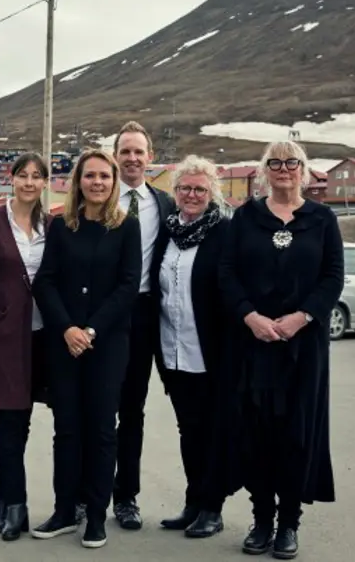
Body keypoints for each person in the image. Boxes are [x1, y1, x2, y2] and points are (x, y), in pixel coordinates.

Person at [218, 140, 343, 559]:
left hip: (303, 348)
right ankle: (261, 520)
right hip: (254, 344)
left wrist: (302, 317)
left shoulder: (322, 219)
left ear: (303, 170)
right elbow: (227, 274)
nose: (284, 168)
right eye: (275, 162)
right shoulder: (245, 218)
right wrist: (250, 316)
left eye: (292, 162)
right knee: (256, 433)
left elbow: (332, 277)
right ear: (264, 170)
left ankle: (289, 523)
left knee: (295, 433)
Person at [30, 148, 142, 549]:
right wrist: (67, 328)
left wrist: (91, 329)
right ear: (78, 181)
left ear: (114, 183)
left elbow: (128, 285)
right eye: (90, 175)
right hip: (65, 345)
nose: (97, 182)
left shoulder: (127, 227)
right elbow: (45, 281)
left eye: (104, 176)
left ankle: (96, 515)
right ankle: (65, 510)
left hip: (107, 345)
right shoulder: (62, 226)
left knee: (101, 430)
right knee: (67, 429)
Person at [151, 155, 239, 539]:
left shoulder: (225, 232)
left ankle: (212, 507)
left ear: (212, 192)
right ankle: (193, 501)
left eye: (200, 189)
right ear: (175, 191)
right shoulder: (168, 231)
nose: (191, 194)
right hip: (172, 349)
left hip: (211, 352)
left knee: (213, 431)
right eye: (185, 188)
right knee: (189, 430)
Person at [0, 152, 51, 542]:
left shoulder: (51, 225)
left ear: (45, 183)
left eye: (37, 176)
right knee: (6, 421)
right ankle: (16, 507)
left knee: (23, 421)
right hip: (1, 335)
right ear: (12, 178)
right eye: (23, 175)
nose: (30, 182)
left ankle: (1, 499)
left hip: (41, 336)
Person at [110, 121, 176, 530]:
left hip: (145, 313)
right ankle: (86, 494)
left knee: (132, 410)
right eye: (125, 151)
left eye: (139, 152)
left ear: (150, 157)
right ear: (115, 156)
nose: (132, 158)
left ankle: (126, 497)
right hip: (103, 317)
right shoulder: (98, 196)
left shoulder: (165, 204)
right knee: (98, 409)